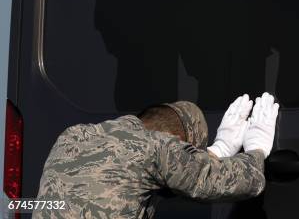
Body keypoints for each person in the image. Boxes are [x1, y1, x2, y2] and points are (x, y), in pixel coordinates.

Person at [34, 93, 280, 218]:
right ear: (177, 141)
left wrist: (218, 151)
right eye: (188, 152)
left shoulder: (73, 136)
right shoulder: (157, 148)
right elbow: (225, 183)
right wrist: (256, 151)